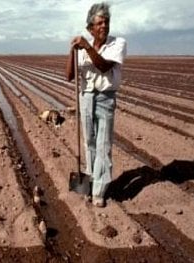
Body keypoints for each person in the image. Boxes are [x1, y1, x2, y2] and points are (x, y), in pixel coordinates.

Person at [65, 2, 127, 207]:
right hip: (86, 98)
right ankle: (89, 186)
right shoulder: (83, 50)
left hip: (105, 98)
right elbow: (69, 76)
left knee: (103, 146)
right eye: (99, 23)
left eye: (106, 22)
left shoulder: (117, 44)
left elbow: (103, 66)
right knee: (89, 144)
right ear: (90, 28)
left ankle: (100, 191)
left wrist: (87, 47)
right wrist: (72, 51)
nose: (104, 26)